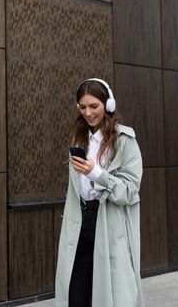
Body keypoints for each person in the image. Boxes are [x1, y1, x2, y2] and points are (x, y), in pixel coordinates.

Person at [55, 78, 145, 307]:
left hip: (109, 222)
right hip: (81, 222)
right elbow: (75, 190)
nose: (88, 113)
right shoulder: (79, 139)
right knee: (76, 291)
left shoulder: (125, 140)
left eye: (94, 106)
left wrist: (96, 173)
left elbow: (130, 190)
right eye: (82, 107)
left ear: (109, 104)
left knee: (109, 293)